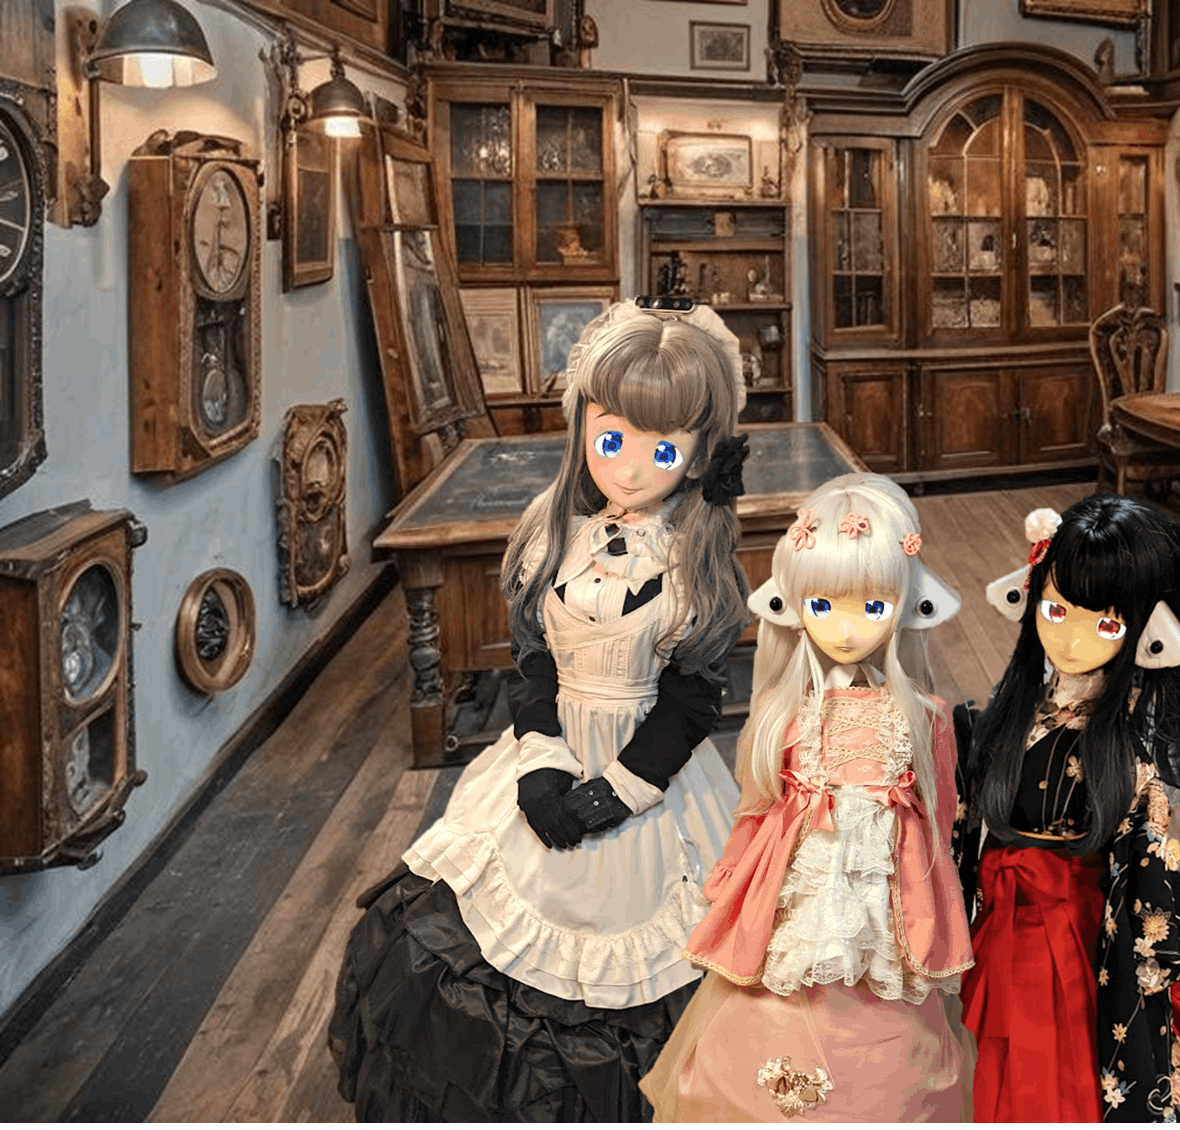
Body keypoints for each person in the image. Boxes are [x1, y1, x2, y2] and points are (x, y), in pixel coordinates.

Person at [329, 300, 755, 1121]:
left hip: (651, 780)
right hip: (545, 753)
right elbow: (532, 659)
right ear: (582, 427)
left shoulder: (697, 557)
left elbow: (694, 698)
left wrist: (619, 790)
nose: (631, 471)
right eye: (612, 441)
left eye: (664, 450)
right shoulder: (550, 532)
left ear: (703, 454)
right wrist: (541, 763)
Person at [640, 473, 973, 1122]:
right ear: (794, 606)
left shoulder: (925, 716)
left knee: (889, 1042)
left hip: (887, 903)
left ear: (905, 605)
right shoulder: (784, 713)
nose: (846, 630)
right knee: (770, 1024)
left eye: (872, 607)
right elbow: (757, 806)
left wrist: (941, 910)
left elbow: (939, 820)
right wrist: (731, 875)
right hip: (793, 896)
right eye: (822, 605)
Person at [958, 494, 1180, 1123]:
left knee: (1066, 1073)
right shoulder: (1026, 698)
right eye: (1055, 611)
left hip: (1078, 931)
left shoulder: (1129, 741)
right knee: (1012, 1066)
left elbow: (1145, 870)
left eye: (1105, 625)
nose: (1069, 639)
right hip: (1005, 915)